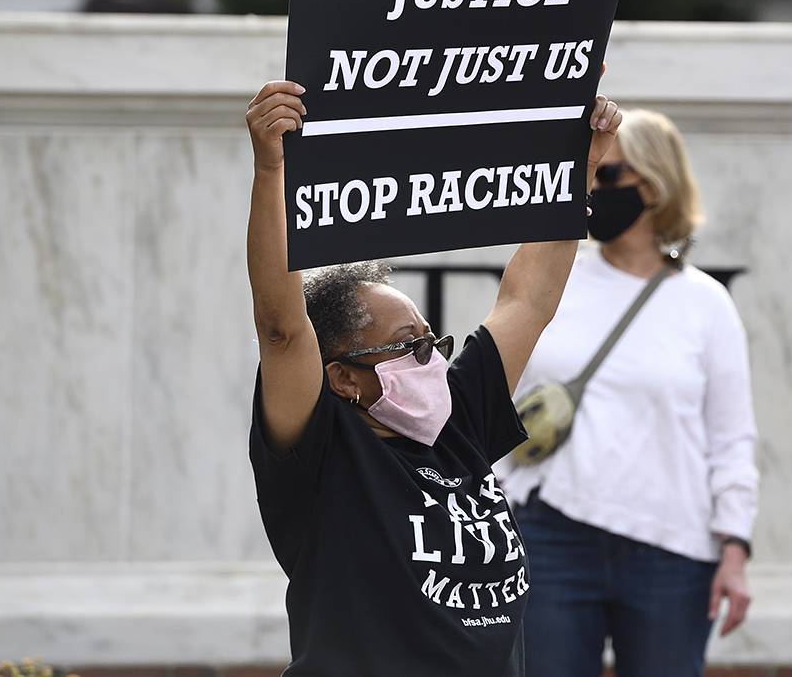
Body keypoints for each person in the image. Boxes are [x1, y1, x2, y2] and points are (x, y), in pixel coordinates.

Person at [243, 78, 622, 676]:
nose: (433, 361)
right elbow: (282, 330)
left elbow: (528, 299)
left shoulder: (458, 421)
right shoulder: (324, 456)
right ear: (342, 378)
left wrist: (579, 164)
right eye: (408, 347)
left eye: (432, 342)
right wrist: (272, 171)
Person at [497, 109, 759, 677]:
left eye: (609, 176)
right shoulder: (552, 280)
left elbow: (732, 438)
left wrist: (735, 549)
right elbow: (494, 392)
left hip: (671, 548)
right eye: (586, 174)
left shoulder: (706, 304)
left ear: (655, 183)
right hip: (550, 536)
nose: (592, 189)